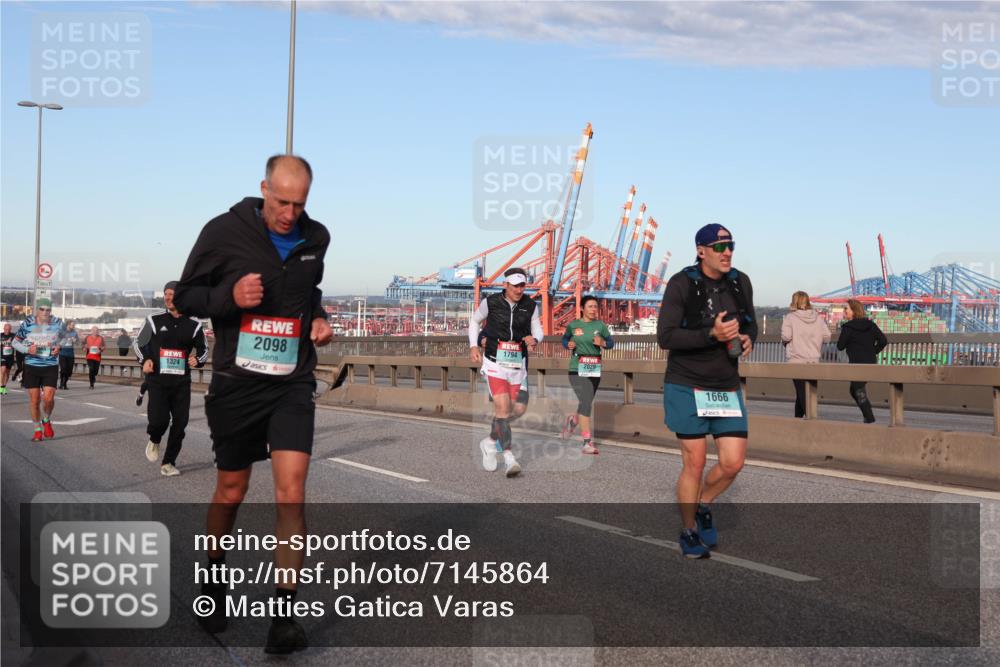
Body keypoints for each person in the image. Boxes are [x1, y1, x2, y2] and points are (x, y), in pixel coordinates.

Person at [173, 154, 331, 654]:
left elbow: (310, 291)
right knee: (232, 489)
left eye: (298, 204)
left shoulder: (316, 237)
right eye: (281, 201)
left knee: (291, 492)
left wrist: (319, 318)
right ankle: (213, 579)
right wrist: (228, 295)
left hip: (292, 382)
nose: (289, 213)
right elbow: (186, 295)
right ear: (264, 188)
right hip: (237, 383)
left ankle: (284, 618)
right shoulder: (223, 231)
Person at [656, 224, 757, 559]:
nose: (727, 252)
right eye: (719, 247)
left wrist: (748, 338)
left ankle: (704, 504)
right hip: (686, 383)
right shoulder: (681, 284)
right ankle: (688, 531)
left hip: (725, 385)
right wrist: (710, 335)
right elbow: (666, 337)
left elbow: (751, 322)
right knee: (695, 463)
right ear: (701, 251)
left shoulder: (740, 282)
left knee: (733, 463)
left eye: (730, 246)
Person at [468, 267, 543, 478]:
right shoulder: (490, 302)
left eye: (522, 285)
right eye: (515, 285)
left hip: (518, 365)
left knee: (517, 409)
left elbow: (537, 329)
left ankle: (490, 442)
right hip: (495, 363)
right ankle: (509, 457)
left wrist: (535, 339)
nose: (519, 290)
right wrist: (474, 346)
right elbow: (475, 322)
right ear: (506, 285)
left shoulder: (530, 305)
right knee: (502, 409)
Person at [134, 281, 208, 477]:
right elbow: (138, 343)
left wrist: (197, 359)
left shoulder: (194, 324)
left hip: (181, 382)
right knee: (159, 421)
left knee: (180, 423)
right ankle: (155, 438)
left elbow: (204, 350)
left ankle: (168, 463)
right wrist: (145, 360)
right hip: (157, 380)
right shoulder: (154, 320)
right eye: (165, 294)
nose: (167, 297)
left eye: (172, 294)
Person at [560, 295, 614, 454]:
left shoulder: (600, 325)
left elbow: (611, 343)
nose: (593, 309)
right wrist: (567, 344)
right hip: (577, 368)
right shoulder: (574, 325)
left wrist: (603, 343)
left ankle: (574, 420)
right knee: (586, 402)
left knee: (586, 401)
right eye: (590, 306)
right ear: (582, 308)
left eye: (595, 307)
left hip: (594, 368)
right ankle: (587, 442)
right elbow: (564, 339)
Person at [11, 298, 65, 440]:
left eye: (48, 310)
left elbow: (66, 337)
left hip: (50, 365)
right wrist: (28, 349)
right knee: (35, 401)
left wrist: (59, 346)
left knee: (48, 399)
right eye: (42, 309)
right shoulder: (27, 323)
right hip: (32, 366)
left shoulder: (58, 323)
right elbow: (15, 342)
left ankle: (46, 419)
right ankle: (37, 430)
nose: (45, 312)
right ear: (37, 310)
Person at [836, 299, 888, 424]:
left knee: (858, 390)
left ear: (853, 311)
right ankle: (867, 416)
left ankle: (869, 418)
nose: (844, 311)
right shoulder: (871, 325)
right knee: (856, 389)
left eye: (846, 308)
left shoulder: (848, 327)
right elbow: (883, 341)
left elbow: (840, 346)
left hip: (856, 364)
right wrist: (873, 352)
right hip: (870, 362)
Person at [780, 291, 831, 418]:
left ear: (794, 301)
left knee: (801, 393)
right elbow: (827, 336)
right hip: (813, 361)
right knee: (804, 393)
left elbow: (786, 336)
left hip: (796, 361)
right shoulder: (818, 318)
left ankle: (811, 419)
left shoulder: (790, 318)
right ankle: (798, 422)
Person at [58, 320, 80, 389]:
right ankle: (62, 383)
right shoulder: (62, 332)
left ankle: (65, 382)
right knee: (63, 369)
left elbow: (78, 343)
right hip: (62, 353)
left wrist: (75, 341)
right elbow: (56, 341)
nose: (73, 326)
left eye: (74, 325)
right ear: (68, 325)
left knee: (69, 371)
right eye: (72, 325)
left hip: (70, 354)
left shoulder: (74, 333)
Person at [1, 323, 15, 394]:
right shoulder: (1, 335)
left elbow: (17, 344)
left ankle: (4, 386)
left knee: (7, 373)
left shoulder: (13, 336)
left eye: (8, 329)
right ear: (3, 329)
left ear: (10, 329)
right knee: (3, 371)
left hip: (10, 357)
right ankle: (1, 388)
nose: (7, 330)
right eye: (6, 329)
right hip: (2, 356)